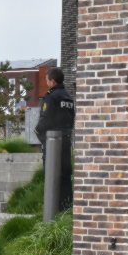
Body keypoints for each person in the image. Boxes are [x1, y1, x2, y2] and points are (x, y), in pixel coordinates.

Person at [35, 67, 75, 212]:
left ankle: (52, 211)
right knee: (65, 176)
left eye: (47, 80)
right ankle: (66, 208)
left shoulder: (51, 97)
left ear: (52, 81)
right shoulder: (69, 97)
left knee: (51, 176)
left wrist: (39, 132)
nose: (46, 83)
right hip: (66, 142)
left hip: (52, 142)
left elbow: (46, 119)